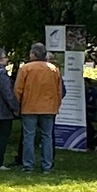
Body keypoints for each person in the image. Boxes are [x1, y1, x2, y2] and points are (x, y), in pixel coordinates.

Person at [15, 43, 62, 174]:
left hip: (29, 107)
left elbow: (18, 89)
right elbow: (59, 90)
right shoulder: (53, 69)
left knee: (29, 137)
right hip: (49, 108)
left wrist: (16, 105)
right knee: (47, 137)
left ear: (33, 54)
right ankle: (47, 166)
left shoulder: (26, 68)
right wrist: (56, 105)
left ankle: (28, 165)